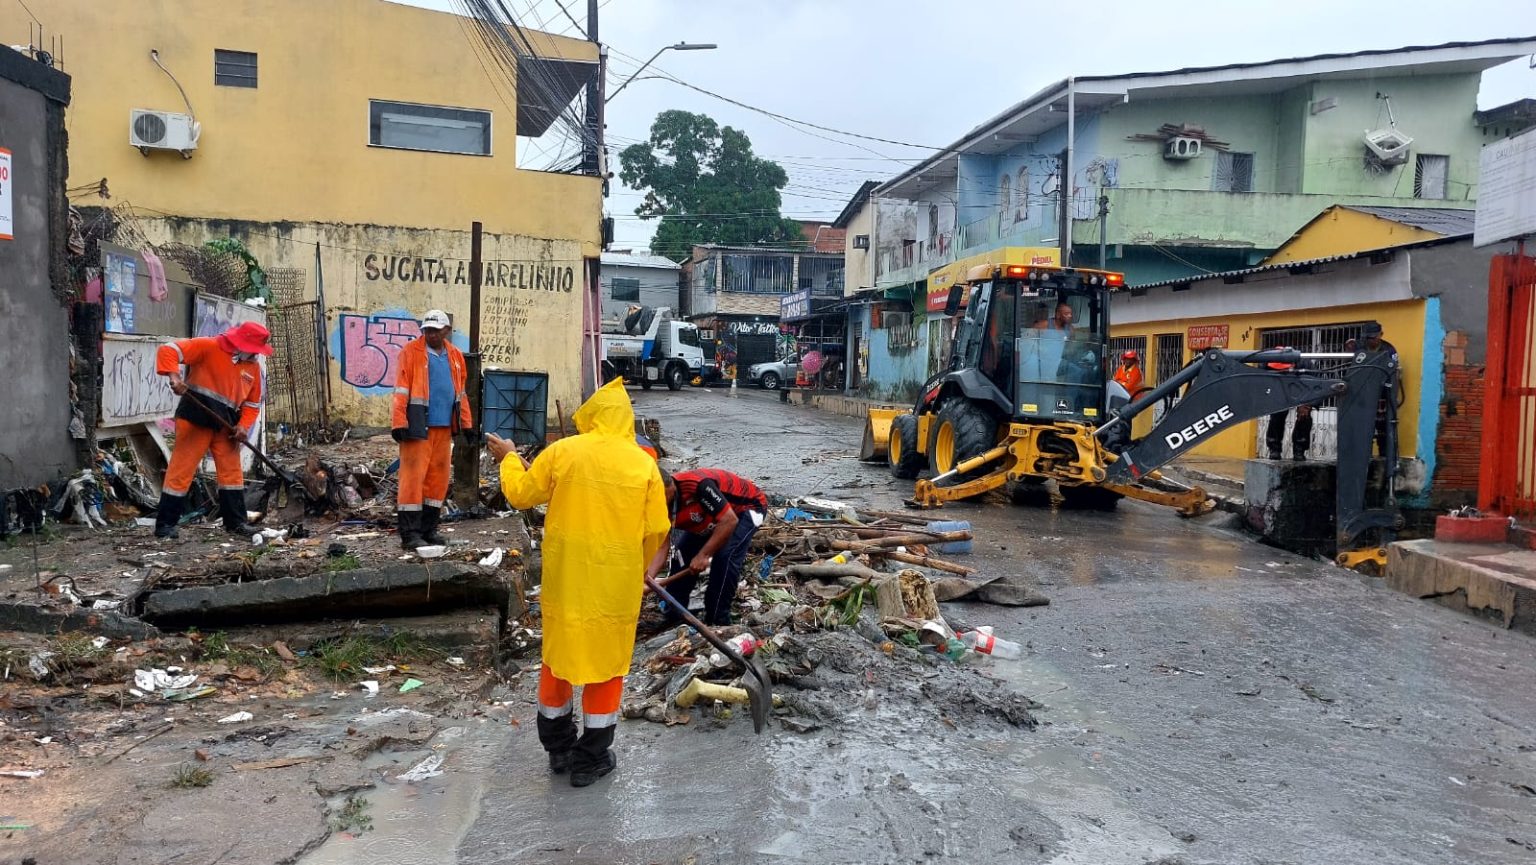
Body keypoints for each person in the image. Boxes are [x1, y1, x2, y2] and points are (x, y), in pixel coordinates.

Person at [486, 378, 670, 788]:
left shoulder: (564, 452)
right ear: (626, 419)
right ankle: (590, 759)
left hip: (566, 582)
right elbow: (657, 531)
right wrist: (640, 571)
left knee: (558, 662)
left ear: (591, 417)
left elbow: (519, 494)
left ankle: (559, 750)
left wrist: (510, 458)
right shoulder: (643, 465)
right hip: (615, 587)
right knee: (607, 669)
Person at [152, 322, 272, 540]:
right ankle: (166, 525)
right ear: (241, 343)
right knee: (182, 470)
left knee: (232, 474)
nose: (256, 354)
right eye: (254, 349)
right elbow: (168, 349)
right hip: (195, 416)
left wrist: (243, 426)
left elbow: (252, 405)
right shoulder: (209, 346)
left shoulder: (253, 367)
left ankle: (236, 523)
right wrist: (174, 376)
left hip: (226, 424)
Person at [391, 310, 474, 550]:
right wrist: (399, 422)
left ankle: (429, 530)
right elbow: (401, 389)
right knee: (413, 480)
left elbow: (461, 393)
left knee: (437, 481)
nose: (431, 334)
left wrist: (466, 424)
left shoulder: (456, 356)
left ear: (446, 331)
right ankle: (410, 534)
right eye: (427, 330)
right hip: (418, 426)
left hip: (444, 427)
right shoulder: (411, 352)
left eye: (436, 330)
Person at [649, 468, 769, 627]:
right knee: (681, 555)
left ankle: (718, 619)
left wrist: (704, 555)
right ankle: (675, 617)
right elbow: (663, 544)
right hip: (711, 517)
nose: (661, 502)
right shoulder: (654, 502)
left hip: (745, 509)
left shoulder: (697, 486)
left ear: (670, 486)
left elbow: (729, 521)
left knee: (725, 557)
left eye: (663, 497)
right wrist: (648, 579)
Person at [1264, 346, 1314, 461]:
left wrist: (1306, 404)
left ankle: (1299, 449)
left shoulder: (1305, 365)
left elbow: (1314, 388)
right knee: (1276, 415)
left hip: (1302, 387)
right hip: (1280, 388)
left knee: (1304, 416)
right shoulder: (1266, 363)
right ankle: (1274, 449)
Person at [1359, 322, 1401, 457]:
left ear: (1380, 335)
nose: (1370, 340)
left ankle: (1384, 456)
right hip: (1363, 394)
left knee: (1383, 427)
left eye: (1372, 337)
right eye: (1367, 338)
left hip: (1382, 394)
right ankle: (1364, 455)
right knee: (1363, 427)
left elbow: (1394, 371)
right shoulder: (1359, 348)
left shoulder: (1389, 350)